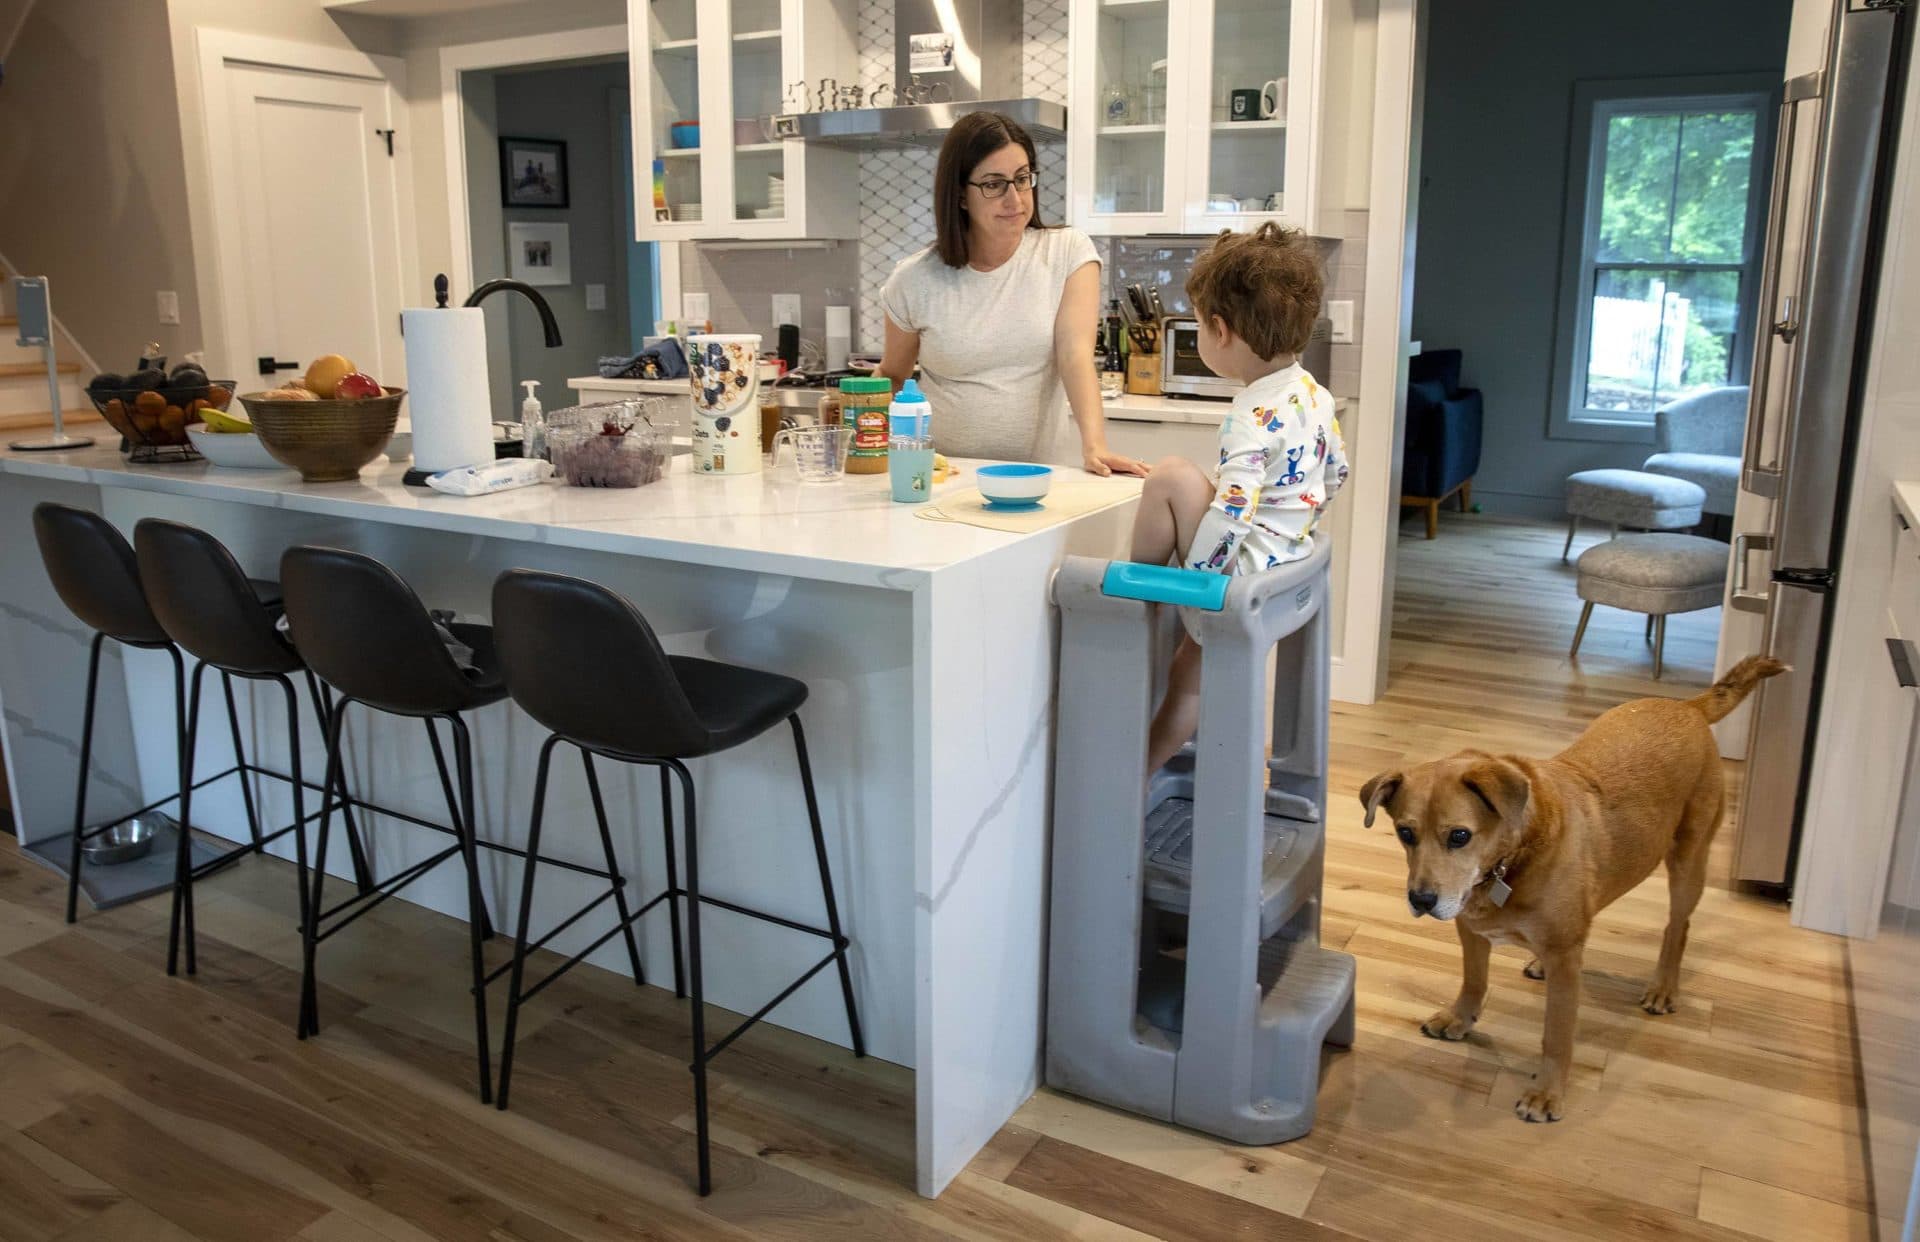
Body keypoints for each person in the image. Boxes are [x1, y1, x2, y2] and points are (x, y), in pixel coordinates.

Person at [1129, 223, 1349, 772]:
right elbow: (1337, 471)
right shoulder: (1313, 393)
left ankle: (1138, 769)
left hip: (1238, 577)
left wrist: (1197, 587)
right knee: (1195, 672)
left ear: (1219, 331)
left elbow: (1233, 511)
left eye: (1199, 324)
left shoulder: (1251, 416)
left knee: (1170, 476)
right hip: (1288, 564)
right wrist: (1296, 518)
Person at [875, 112, 1146, 476]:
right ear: (960, 195)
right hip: (943, 475)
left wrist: (1095, 446)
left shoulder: (1067, 252)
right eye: (993, 184)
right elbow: (892, 377)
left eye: (1022, 179)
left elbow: (1074, 355)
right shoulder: (913, 279)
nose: (1015, 198)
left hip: (1035, 477)